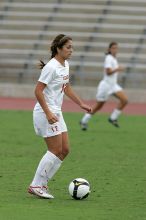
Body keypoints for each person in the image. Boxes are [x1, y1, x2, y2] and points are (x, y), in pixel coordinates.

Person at [28, 34, 91, 199]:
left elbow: (66, 87)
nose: (72, 50)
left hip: (57, 112)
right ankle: (36, 184)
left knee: (65, 150)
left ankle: (42, 184)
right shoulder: (51, 67)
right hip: (45, 113)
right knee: (55, 149)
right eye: (68, 47)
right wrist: (48, 112)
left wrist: (81, 103)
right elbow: (38, 91)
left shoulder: (65, 65)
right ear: (58, 49)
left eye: (72, 47)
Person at [80, 42, 128, 130]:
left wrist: (117, 69)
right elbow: (108, 72)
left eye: (116, 48)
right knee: (99, 106)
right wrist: (117, 69)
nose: (115, 50)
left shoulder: (114, 58)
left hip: (113, 85)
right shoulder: (108, 58)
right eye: (113, 48)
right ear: (109, 49)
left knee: (124, 100)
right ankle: (84, 120)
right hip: (106, 86)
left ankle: (112, 118)